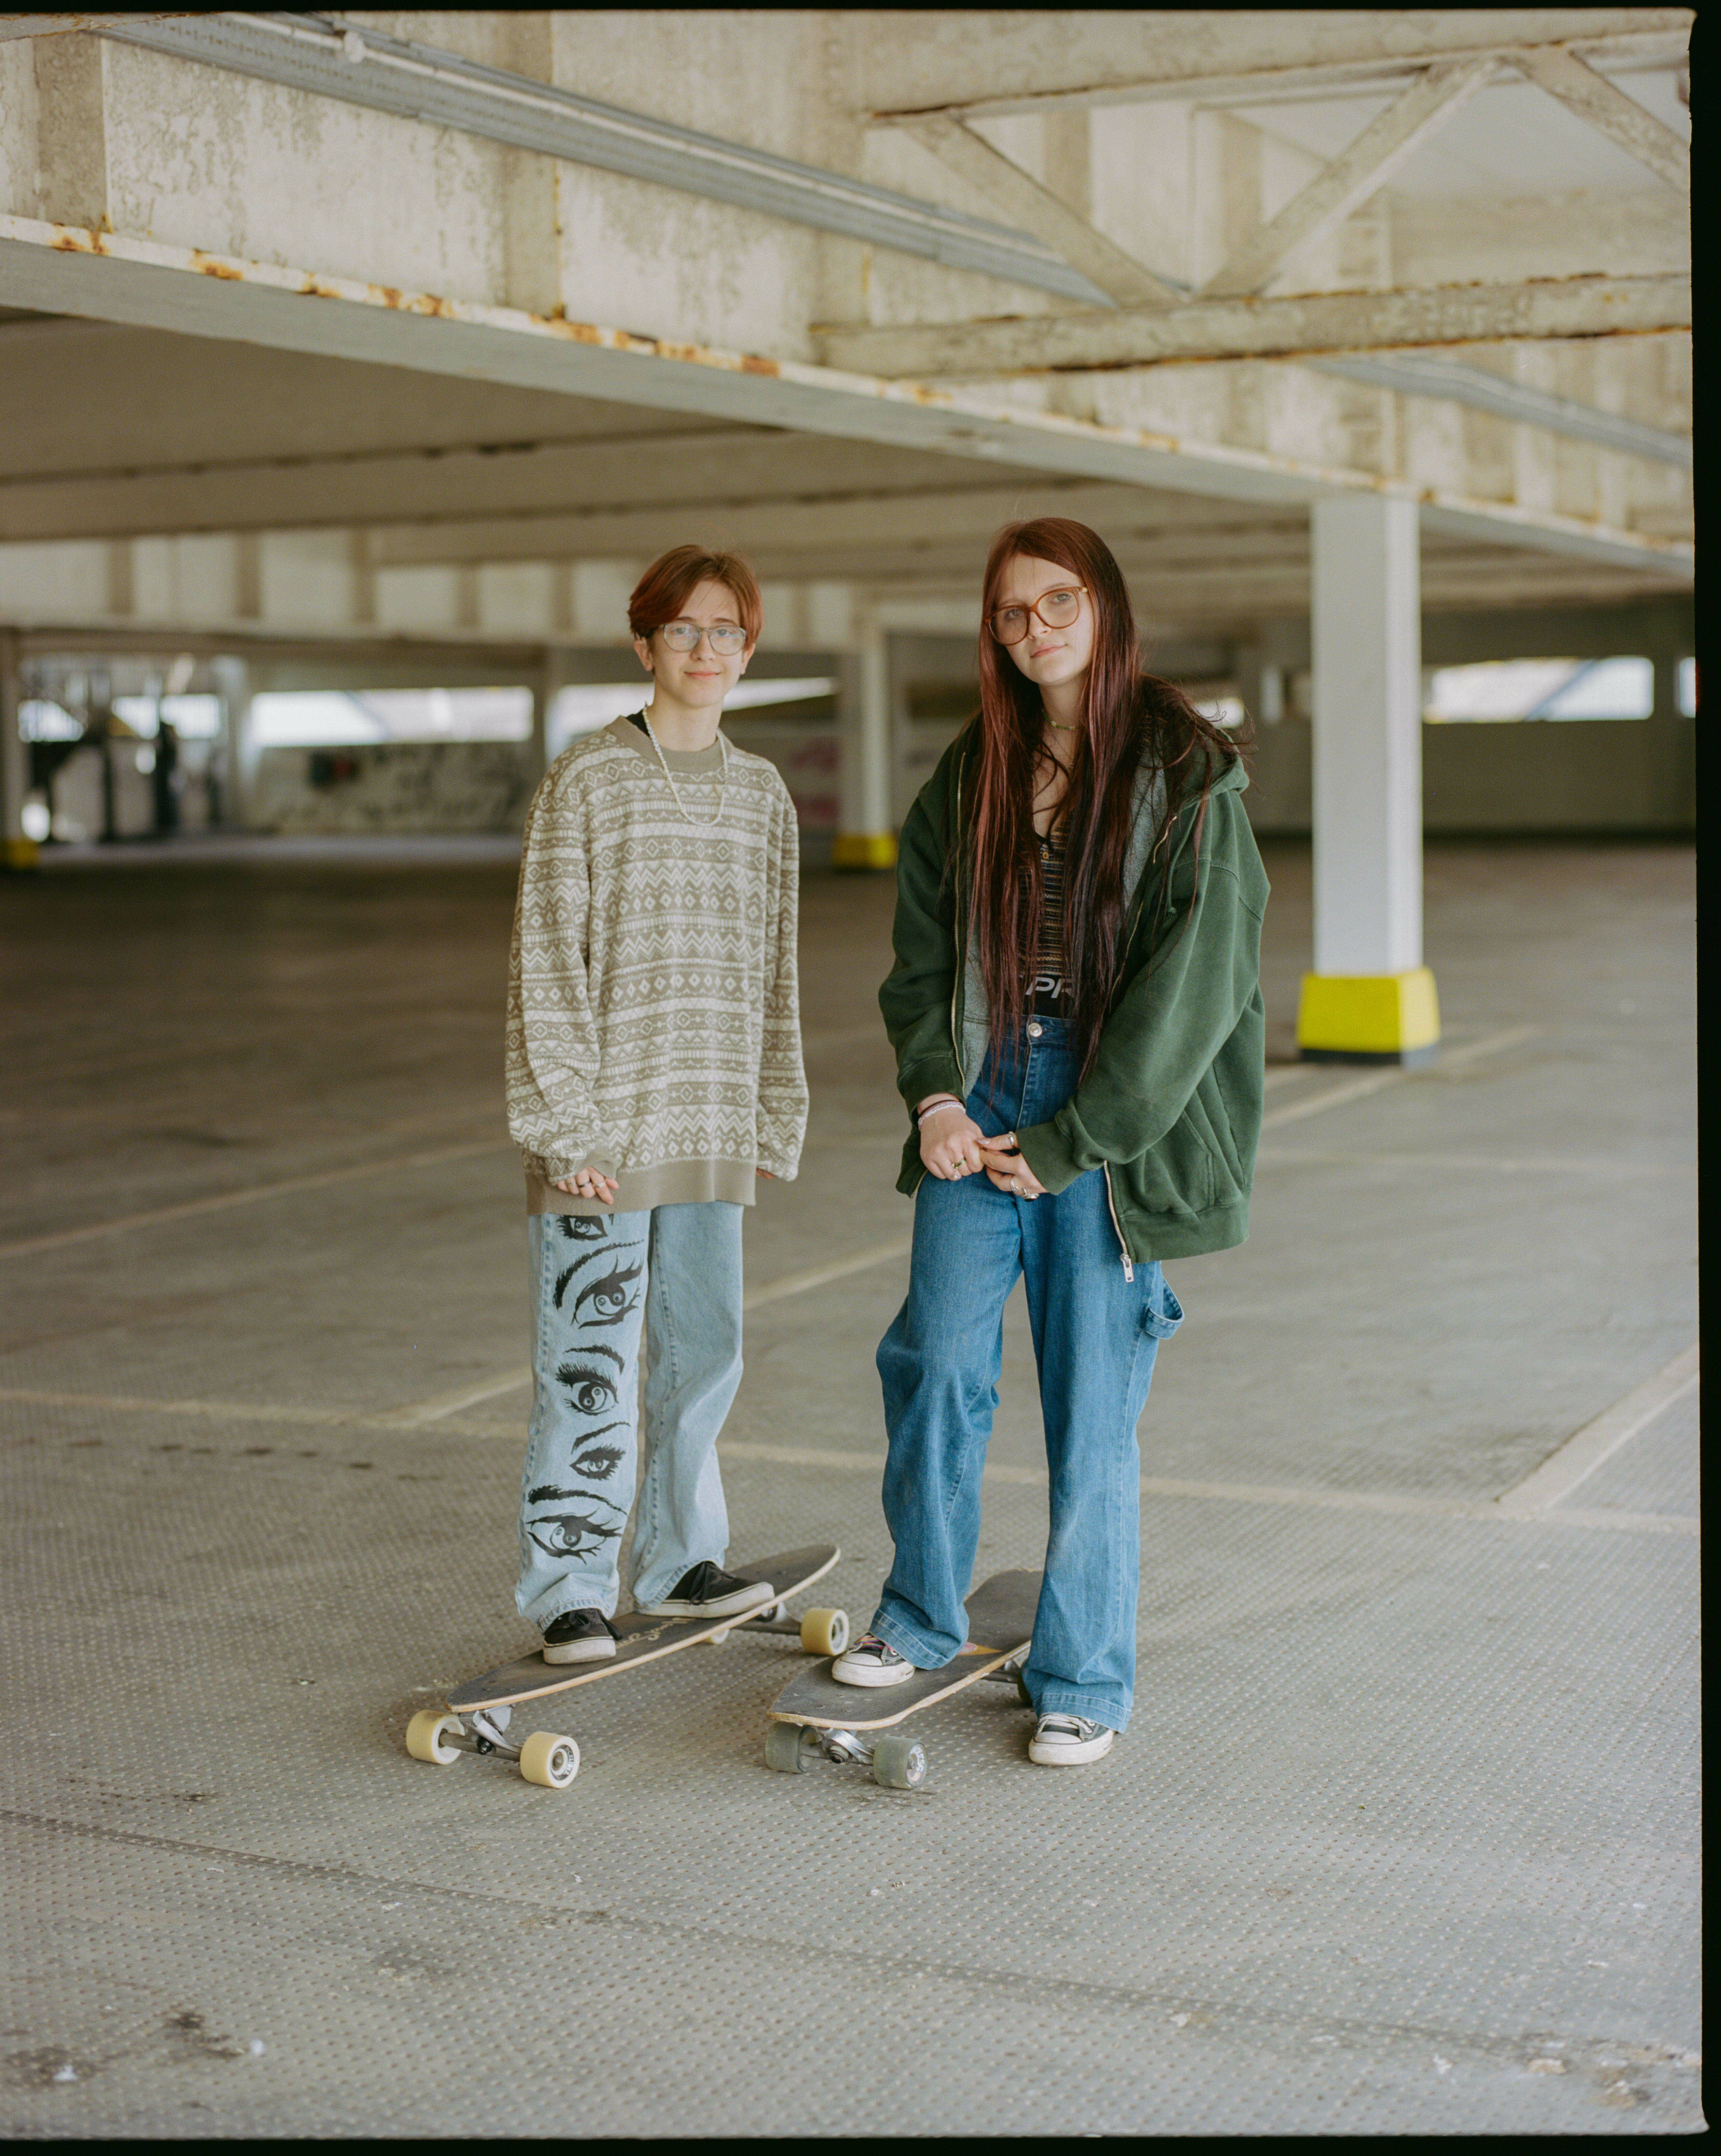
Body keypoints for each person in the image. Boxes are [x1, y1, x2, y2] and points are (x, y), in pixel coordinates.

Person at [830, 517, 1268, 1766]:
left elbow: (1196, 990)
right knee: (932, 1370)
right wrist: (935, 1099)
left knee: (1090, 1412)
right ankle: (918, 1617)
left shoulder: (1189, 775)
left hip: (1103, 1132)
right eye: (1009, 613)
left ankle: (1082, 1673)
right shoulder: (971, 772)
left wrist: (1080, 1137)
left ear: (1107, 607)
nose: (1034, 630)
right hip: (981, 1104)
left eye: (1056, 601)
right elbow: (919, 964)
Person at [505, 545, 808, 1662]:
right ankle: (569, 1586)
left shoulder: (762, 794)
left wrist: (772, 1111)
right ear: (644, 645)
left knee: (703, 1352)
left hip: (712, 1121)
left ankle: (679, 1559)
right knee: (590, 1361)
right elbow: (546, 959)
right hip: (603, 1135)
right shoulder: (586, 779)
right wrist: (565, 1128)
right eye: (682, 629)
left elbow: (773, 967)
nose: (705, 649)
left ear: (748, 647)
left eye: (725, 630)